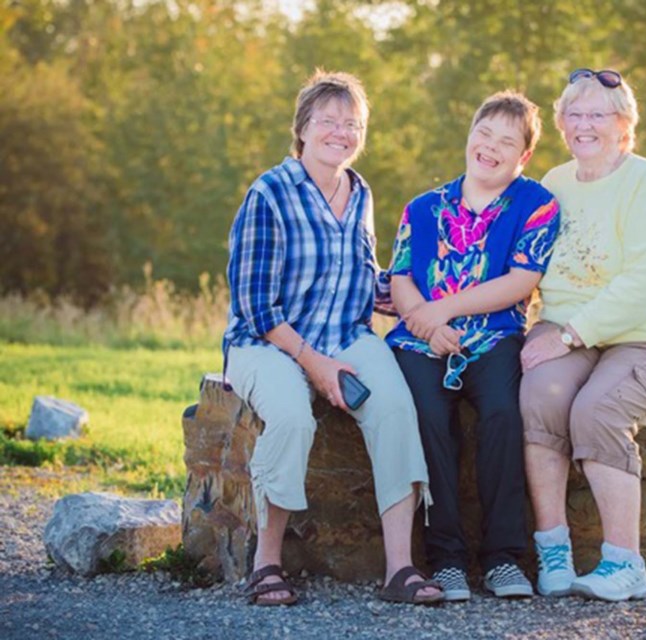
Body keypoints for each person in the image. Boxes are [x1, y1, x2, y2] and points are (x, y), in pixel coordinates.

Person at [222, 70, 441, 606]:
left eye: (352, 123)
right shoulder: (268, 193)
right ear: (302, 128)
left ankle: (400, 569)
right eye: (328, 121)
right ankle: (266, 563)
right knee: (293, 415)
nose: (341, 132)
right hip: (268, 342)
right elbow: (254, 305)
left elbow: (365, 280)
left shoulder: (360, 191)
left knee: (393, 406)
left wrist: (431, 303)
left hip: (345, 333)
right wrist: (313, 364)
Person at [519, 68, 646, 602]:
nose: (584, 125)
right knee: (539, 394)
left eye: (598, 114)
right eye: (574, 114)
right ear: (560, 124)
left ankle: (625, 564)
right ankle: (552, 550)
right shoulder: (554, 184)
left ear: (623, 124)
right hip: (576, 329)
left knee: (596, 409)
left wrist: (572, 334)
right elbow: (531, 267)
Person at [386, 91, 561, 601]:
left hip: (495, 339)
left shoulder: (536, 204)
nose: (490, 147)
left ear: (523, 157)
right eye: (484, 134)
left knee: (505, 414)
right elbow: (400, 280)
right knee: (429, 419)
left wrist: (444, 309)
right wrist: (427, 325)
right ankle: (446, 560)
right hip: (420, 341)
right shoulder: (423, 208)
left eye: (507, 142)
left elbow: (522, 279)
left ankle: (504, 557)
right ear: (469, 136)